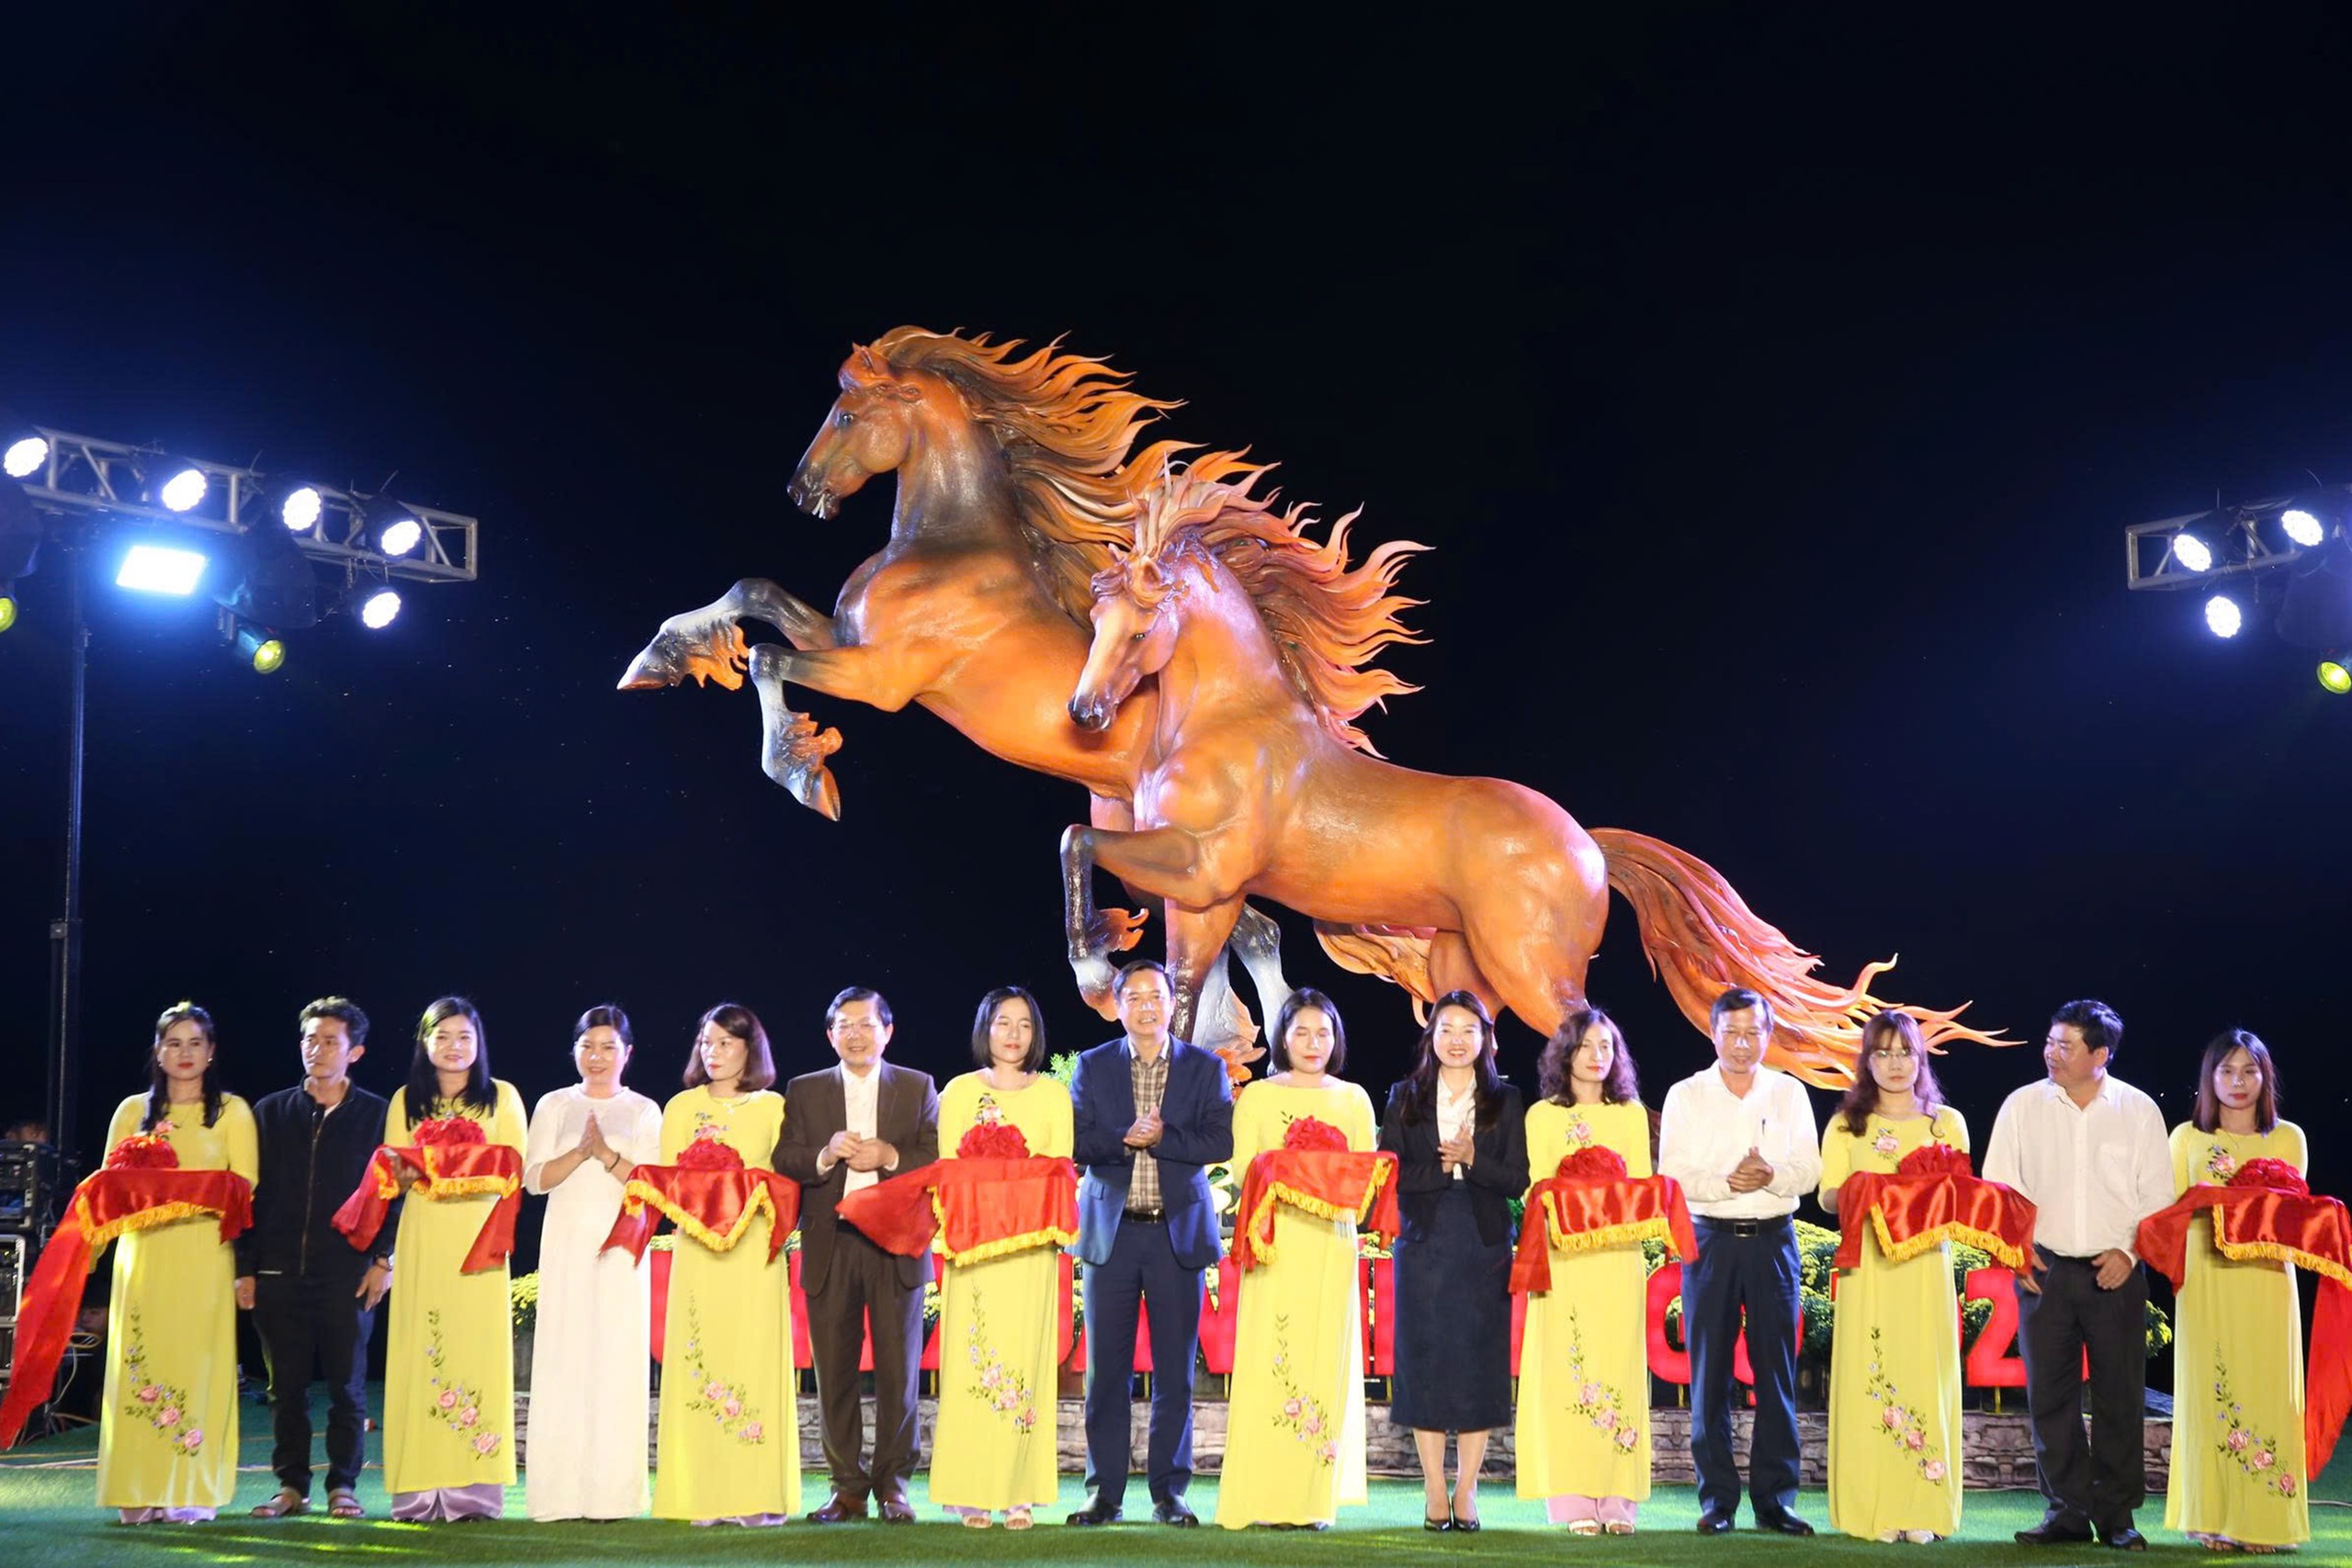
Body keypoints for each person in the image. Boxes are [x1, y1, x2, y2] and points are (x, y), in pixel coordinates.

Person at [1981, 998, 2173, 1551]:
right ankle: (2065, 1510)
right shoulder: (2022, 1106)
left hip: (2114, 1272)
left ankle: (2117, 1517)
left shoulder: (2137, 1110)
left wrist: (2130, 1254)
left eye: (2065, 1046)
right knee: (2049, 1397)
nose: (2051, 1054)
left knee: (2119, 1397)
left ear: (2100, 1054)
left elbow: (2157, 1196)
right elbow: (2001, 1186)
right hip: (2044, 1271)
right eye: (2049, 1042)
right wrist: (2018, 1251)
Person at [1067, 959, 1236, 1528]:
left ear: (1171, 1004)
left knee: (1174, 1373)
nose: (1145, 1005)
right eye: (1133, 996)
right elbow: (1076, 1140)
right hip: (1110, 1239)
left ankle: (1170, 1493)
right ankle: (1104, 1493)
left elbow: (1220, 1140)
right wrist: (1123, 1140)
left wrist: (1165, 1138)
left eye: (1155, 995)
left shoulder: (1204, 1068)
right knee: (1105, 1373)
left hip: (1175, 1236)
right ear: (1118, 1006)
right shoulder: (1091, 1066)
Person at [1657, 985, 1822, 1537]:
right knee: (1709, 1373)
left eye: (1754, 1032)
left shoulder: (1789, 1093)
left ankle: (1776, 1500)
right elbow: (1673, 1174)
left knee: (1776, 1373)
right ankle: (1718, 1501)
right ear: (1713, 1033)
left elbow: (1810, 1169)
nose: (1743, 1043)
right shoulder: (1687, 1094)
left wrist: (1771, 1174)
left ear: (1769, 1035)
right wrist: (1728, 1181)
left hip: (1774, 1238)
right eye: (1732, 1032)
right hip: (1709, 1240)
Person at [775, 987, 941, 1524]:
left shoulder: (916, 1086)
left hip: (896, 1244)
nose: (855, 1033)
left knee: (898, 1373)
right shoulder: (804, 1090)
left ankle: (893, 1486)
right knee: (835, 1372)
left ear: (887, 1031)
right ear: (830, 1035)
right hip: (832, 1241)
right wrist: (824, 1154)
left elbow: (937, 1154)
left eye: (866, 1024)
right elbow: (786, 1158)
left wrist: (890, 1155)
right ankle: (846, 1487)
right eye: (844, 1025)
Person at [1216, 988, 1376, 1531]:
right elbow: (1242, 1170)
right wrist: (1292, 1177)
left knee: (1323, 1360)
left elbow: (1366, 1179)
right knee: (1273, 1357)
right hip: (1277, 1241)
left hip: (1332, 1244)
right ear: (1283, 1037)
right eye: (1302, 1032)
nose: (1313, 1044)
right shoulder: (1258, 1097)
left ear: (1337, 1040)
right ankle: (1264, 1496)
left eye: (1324, 1033)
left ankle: (1313, 1500)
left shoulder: (1354, 1099)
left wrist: (1324, 1182)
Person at [98, 1002, 258, 1524]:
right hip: (143, 1257)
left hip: (203, 1255)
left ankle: (191, 1489)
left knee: (198, 1367)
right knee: (139, 1367)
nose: (184, 1054)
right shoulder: (130, 1111)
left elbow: (246, 1185)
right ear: (157, 1052)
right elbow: (107, 1189)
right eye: (174, 1043)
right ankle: (137, 1489)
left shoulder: (232, 1111)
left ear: (211, 1053)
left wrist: (180, 1194)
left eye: (195, 1043)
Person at [238, 997, 394, 1521]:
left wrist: (382, 1260)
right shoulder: (269, 1112)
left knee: (348, 1387)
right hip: (278, 1272)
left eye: (331, 1041)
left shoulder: (377, 1114)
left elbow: (394, 1192)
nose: (318, 1050)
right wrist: (246, 1268)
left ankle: (343, 1486)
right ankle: (290, 1487)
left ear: (356, 1051)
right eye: (310, 1039)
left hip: (347, 1272)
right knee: (286, 1390)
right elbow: (248, 1198)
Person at [1379, 989, 1529, 1534]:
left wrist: (1473, 1160)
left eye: (1469, 1030)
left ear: (1486, 1038)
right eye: (1447, 1029)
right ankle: (1434, 1491)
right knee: (1425, 1363)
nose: (1457, 1040)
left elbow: (1517, 1178)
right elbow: (1390, 1174)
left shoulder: (1506, 1100)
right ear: (1432, 1037)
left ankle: (1466, 1490)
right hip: (1423, 1239)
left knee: (1476, 1363)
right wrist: (1445, 1170)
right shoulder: (1405, 1095)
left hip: (1483, 1242)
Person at [1818, 1009, 1967, 1543]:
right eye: (1881, 1053)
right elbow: (1830, 1196)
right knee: (1871, 1373)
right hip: (1871, 1267)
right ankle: (1875, 1508)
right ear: (1866, 1061)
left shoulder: (1945, 1123)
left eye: (1904, 1052)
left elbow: (1961, 1200)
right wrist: (1876, 1186)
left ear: (1920, 1057)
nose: (1894, 1064)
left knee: (1924, 1371)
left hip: (1926, 1268)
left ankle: (1922, 1506)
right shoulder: (1845, 1123)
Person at [379, 997, 528, 1521]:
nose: (454, 1046)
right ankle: (419, 1492)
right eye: (442, 1036)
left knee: (477, 1351)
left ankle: (474, 1493)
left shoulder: (502, 1098)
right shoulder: (405, 1101)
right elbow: (393, 1174)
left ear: (479, 1043)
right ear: (424, 1042)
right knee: (422, 1351)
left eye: (464, 1036)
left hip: (480, 1237)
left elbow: (515, 1168)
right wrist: (410, 1169)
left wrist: (454, 1161)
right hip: (424, 1234)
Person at [2161, 1029, 2310, 1553]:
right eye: (2227, 1070)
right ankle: (2211, 1516)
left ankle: (2268, 1521)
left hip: (2269, 1280)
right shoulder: (2186, 1139)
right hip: (2205, 1281)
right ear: (2210, 1077)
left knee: (2269, 1391)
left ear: (2265, 1077)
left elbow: (2291, 1216)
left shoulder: (2287, 1137)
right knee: (2209, 1394)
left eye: (2250, 1070)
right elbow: (2173, 1211)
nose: (2238, 1081)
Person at [930, 987, 1073, 1529]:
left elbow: (1059, 1173)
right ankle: (970, 1491)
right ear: (985, 1029)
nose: (1013, 1035)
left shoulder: (1053, 1096)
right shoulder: (960, 1092)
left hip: (1030, 1249)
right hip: (973, 1249)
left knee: (1025, 1362)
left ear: (1035, 1035)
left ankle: (1019, 1492)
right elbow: (948, 1172)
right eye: (1002, 1023)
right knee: (972, 1362)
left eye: (1024, 1025)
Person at [651, 1003, 798, 1525]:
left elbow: (787, 1184)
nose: (713, 1052)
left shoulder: (773, 1108)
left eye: (726, 1043)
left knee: (751, 1360)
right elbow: (666, 1186)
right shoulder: (680, 1107)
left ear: (749, 1048)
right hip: (696, 1253)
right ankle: (702, 1495)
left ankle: (754, 1496)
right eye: (706, 1043)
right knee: (700, 1360)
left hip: (754, 1253)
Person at [520, 1004, 662, 1521]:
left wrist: (604, 1153)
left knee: (616, 1362)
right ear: (575, 1050)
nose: (597, 1056)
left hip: (623, 1249)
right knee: (564, 1357)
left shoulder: (645, 1109)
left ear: (628, 1053)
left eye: (608, 1047)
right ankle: (557, 1496)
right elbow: (533, 1179)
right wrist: (580, 1153)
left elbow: (653, 1184)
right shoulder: (554, 1104)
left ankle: (613, 1497)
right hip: (564, 1248)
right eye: (587, 1046)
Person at [1515, 1006, 1652, 1536]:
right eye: (1586, 1046)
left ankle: (1618, 1502)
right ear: (1565, 1053)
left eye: (1606, 1047)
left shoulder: (1631, 1115)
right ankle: (1573, 1504)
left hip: (1618, 1261)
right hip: (1564, 1261)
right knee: (1569, 1371)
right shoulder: (1543, 1116)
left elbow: (1641, 1189)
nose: (1597, 1057)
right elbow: (1536, 1188)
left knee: (1617, 1368)